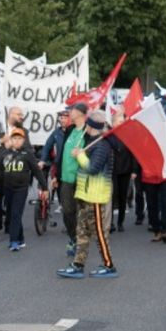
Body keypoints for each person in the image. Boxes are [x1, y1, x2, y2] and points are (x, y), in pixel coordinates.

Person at [56, 110, 117, 279]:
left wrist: (80, 155)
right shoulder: (92, 141)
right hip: (85, 195)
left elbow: (92, 168)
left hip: (96, 197)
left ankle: (109, 265)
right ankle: (78, 264)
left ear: (91, 126)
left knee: (99, 233)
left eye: (88, 124)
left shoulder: (103, 145)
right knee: (81, 232)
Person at [0, 128, 49, 251]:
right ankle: (21, 238)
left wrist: (44, 187)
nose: (17, 141)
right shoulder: (4, 154)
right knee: (11, 213)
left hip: (21, 189)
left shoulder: (27, 155)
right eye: (14, 138)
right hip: (7, 188)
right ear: (10, 140)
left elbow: (37, 172)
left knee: (15, 214)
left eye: (19, 139)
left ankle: (13, 241)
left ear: (23, 140)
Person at [53, 103, 88, 256]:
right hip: (65, 179)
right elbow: (61, 154)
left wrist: (81, 154)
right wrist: (56, 174)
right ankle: (73, 237)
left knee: (81, 212)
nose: (69, 112)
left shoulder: (89, 131)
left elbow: (95, 155)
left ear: (80, 113)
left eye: (71, 110)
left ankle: (79, 241)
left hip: (81, 178)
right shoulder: (70, 130)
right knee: (67, 211)